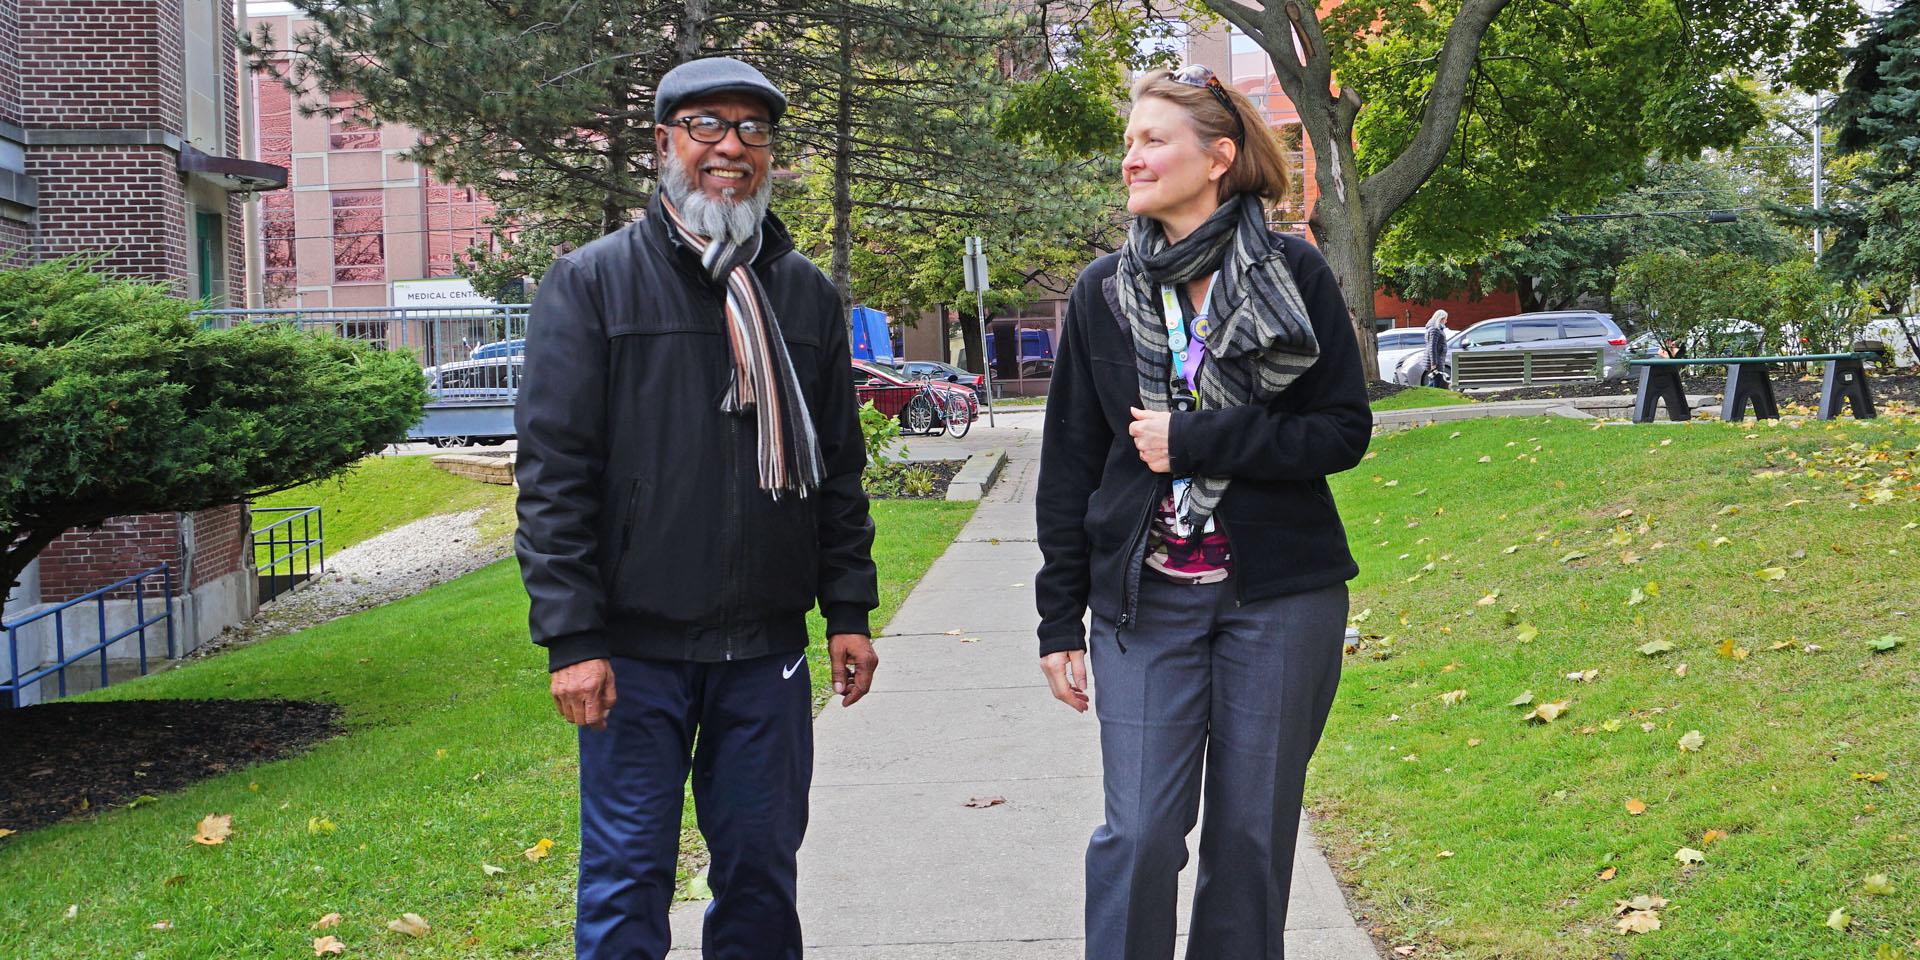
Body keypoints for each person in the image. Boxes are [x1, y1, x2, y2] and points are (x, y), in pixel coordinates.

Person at [513, 56, 880, 960]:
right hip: (634, 654)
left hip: (764, 653)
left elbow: (837, 466)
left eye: (754, 130)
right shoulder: (593, 283)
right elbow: (553, 475)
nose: (732, 147)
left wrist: (847, 609)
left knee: (759, 870)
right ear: (665, 143)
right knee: (626, 873)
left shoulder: (803, 293)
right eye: (708, 125)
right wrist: (573, 639)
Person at [1033, 64, 1372, 960]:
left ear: (1218, 157)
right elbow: (1069, 465)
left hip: (1280, 597)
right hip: (1146, 601)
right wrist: (1055, 617)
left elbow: (1342, 431)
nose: (1131, 160)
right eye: (1129, 143)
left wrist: (1201, 441)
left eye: (1152, 140)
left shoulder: (1290, 270)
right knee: (1139, 833)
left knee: (1251, 838)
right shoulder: (1105, 291)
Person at [1422, 308, 1451, 388]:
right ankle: (1422, 394)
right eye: (1445, 319)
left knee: (1436, 381)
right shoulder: (1435, 329)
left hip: (1438, 359)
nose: (1446, 321)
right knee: (1437, 383)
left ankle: (1424, 394)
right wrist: (1434, 363)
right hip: (1436, 361)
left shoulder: (1437, 329)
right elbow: (1432, 347)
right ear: (1441, 319)